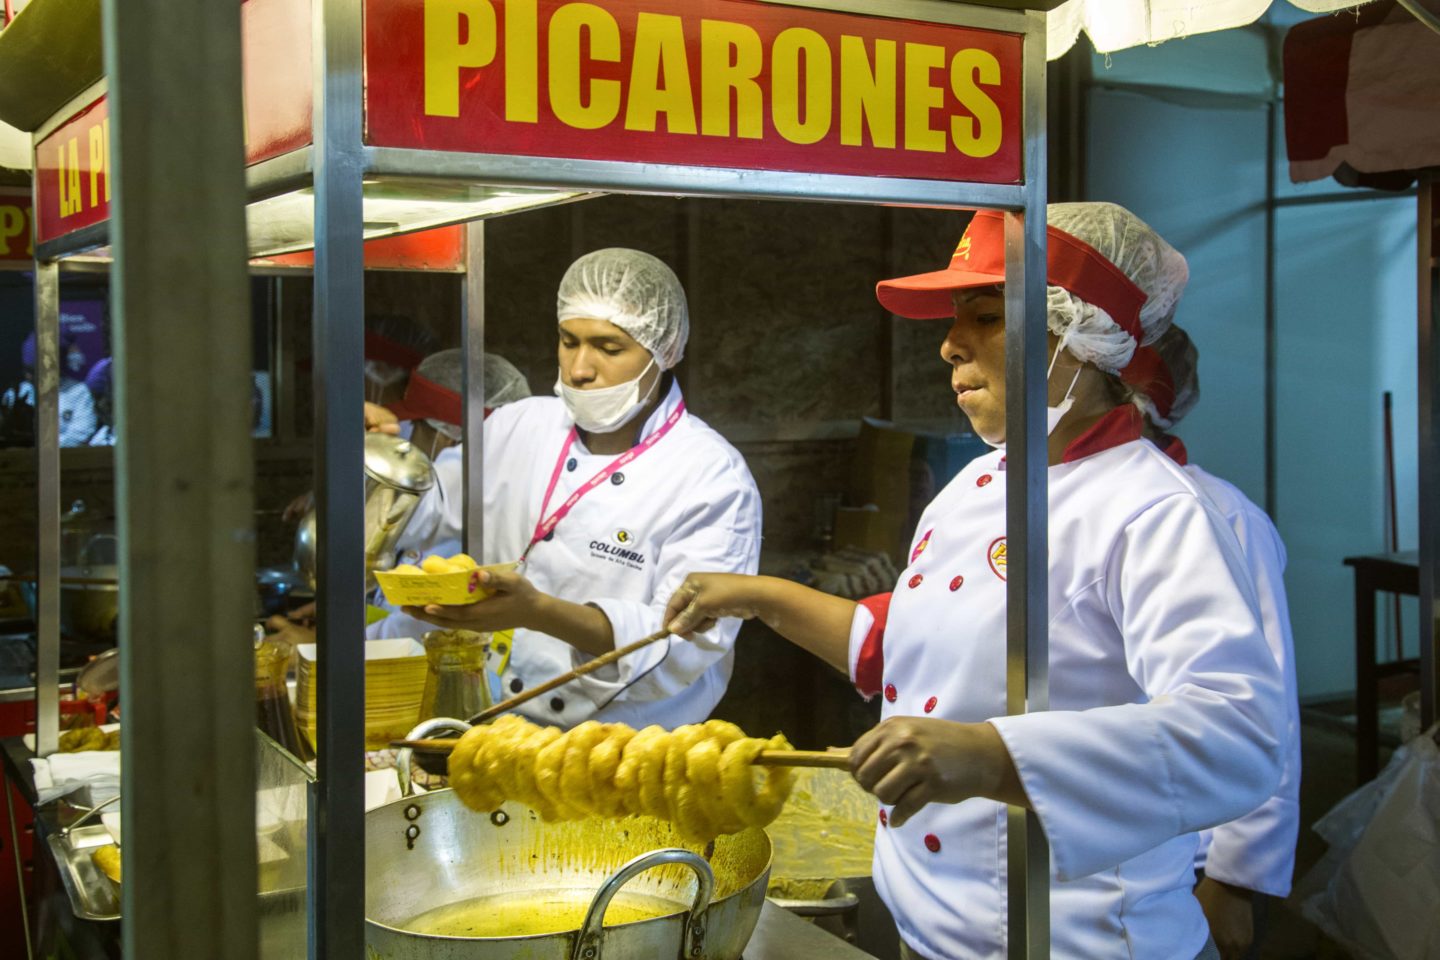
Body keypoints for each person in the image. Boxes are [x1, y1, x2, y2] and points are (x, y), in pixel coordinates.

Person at [661, 204, 1284, 959]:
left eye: (985, 315)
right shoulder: (974, 487)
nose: (950, 344)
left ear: (1078, 338)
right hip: (925, 925)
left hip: (1067, 939)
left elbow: (1238, 738)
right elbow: (913, 654)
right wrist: (756, 595)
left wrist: (991, 756)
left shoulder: (1156, 512)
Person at [399, 247, 762, 730]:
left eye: (609, 348)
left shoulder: (710, 477)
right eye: (568, 341)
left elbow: (679, 643)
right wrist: (384, 468)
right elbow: (428, 509)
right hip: (490, 724)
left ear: (665, 350)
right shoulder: (519, 425)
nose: (579, 369)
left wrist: (539, 612)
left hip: (621, 751)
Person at [1123, 327, 1301, 960]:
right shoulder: (1047, 503)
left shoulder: (1219, 515)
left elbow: (1263, 709)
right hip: (1116, 842)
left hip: (1194, 851)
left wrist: (1234, 878)